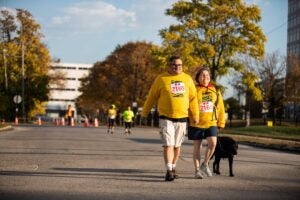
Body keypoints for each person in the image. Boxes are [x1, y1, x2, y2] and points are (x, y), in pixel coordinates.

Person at [141, 55, 199, 182]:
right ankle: (168, 170)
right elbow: (151, 96)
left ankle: (173, 167)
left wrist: (195, 115)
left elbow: (193, 99)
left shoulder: (187, 79)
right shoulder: (161, 79)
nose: (177, 67)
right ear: (169, 65)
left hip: (182, 117)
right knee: (168, 144)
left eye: (180, 65)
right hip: (166, 117)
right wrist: (144, 113)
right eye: (174, 65)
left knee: (177, 146)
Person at [188, 66, 225, 179]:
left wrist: (221, 121)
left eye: (207, 75)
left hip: (211, 122)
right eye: (203, 75)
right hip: (197, 123)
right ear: (198, 77)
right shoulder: (193, 90)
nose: (205, 77)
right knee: (197, 147)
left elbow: (220, 107)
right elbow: (189, 105)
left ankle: (205, 164)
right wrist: (193, 116)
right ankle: (197, 170)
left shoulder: (215, 90)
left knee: (213, 143)